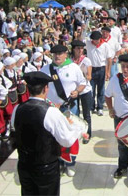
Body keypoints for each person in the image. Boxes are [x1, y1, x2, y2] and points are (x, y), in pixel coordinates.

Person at [11, 71, 85, 195]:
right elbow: (66, 140)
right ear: (46, 88)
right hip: (45, 166)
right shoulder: (50, 112)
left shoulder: (17, 108)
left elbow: (14, 127)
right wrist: (76, 128)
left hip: (24, 164)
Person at [40, 44, 86, 177]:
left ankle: (70, 163)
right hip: (52, 109)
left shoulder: (73, 68)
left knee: (70, 136)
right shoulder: (46, 69)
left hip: (69, 107)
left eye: (60, 54)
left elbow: (82, 83)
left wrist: (77, 91)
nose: (57, 56)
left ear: (66, 54)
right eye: (55, 54)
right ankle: (58, 162)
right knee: (53, 136)